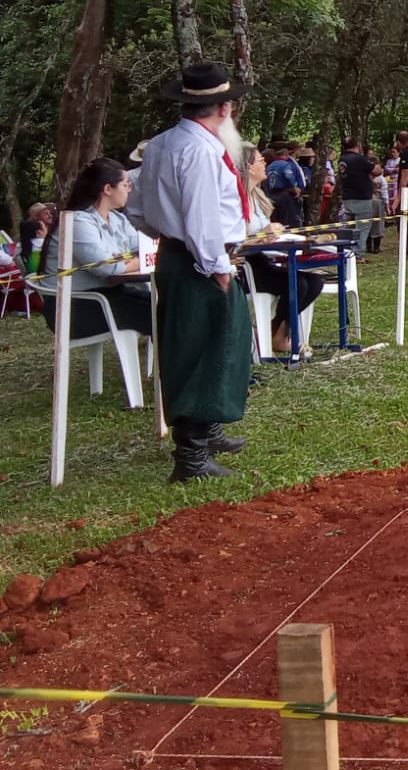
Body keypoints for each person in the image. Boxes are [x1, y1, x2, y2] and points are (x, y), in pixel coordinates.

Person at [125, 61, 254, 483]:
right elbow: (202, 217)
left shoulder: (161, 144)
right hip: (201, 261)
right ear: (224, 108)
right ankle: (192, 457)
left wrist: (166, 235)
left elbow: (136, 207)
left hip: (180, 254)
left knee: (202, 346)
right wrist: (216, 266)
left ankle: (206, 432)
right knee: (204, 350)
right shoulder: (198, 151)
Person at [36, 157, 152, 339]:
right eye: (125, 185)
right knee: (163, 315)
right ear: (108, 189)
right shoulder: (78, 222)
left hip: (105, 296)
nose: (129, 190)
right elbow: (105, 267)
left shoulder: (117, 219)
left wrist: (130, 260)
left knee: (167, 306)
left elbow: (146, 248)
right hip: (74, 307)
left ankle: (171, 356)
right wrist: (138, 261)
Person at [238, 145, 323, 355]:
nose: (265, 163)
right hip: (244, 267)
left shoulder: (257, 197)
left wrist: (273, 232)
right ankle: (277, 336)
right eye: (260, 160)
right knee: (298, 284)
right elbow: (233, 242)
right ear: (248, 167)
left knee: (314, 282)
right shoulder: (234, 200)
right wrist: (263, 234)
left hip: (263, 259)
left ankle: (275, 331)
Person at [336, 137, 379, 262]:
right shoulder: (360, 159)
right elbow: (377, 171)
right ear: (357, 145)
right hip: (362, 197)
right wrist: (374, 162)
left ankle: (346, 253)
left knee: (348, 228)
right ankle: (358, 255)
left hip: (347, 197)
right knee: (362, 228)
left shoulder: (342, 159)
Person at [264, 142, 307, 228]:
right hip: (284, 195)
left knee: (276, 218)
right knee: (289, 220)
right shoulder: (285, 164)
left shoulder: (269, 166)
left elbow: (266, 180)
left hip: (272, 195)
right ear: (285, 155)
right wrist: (294, 187)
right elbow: (288, 177)